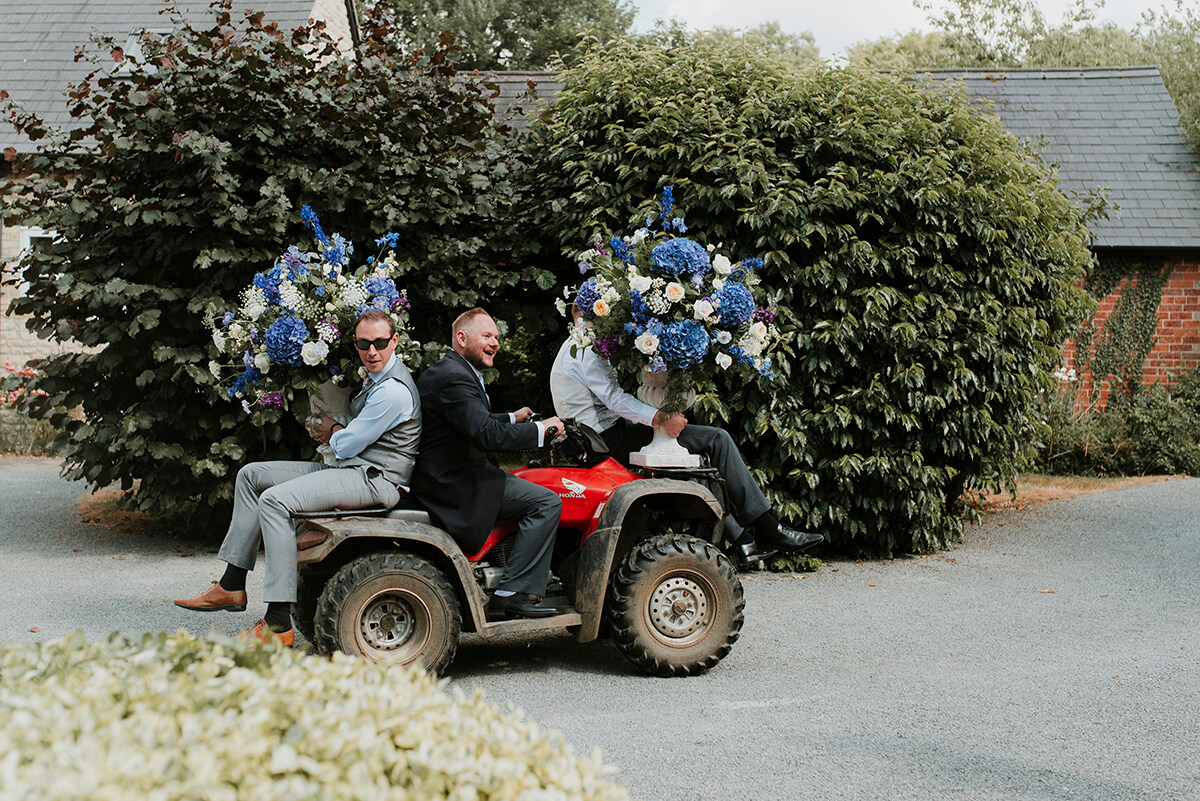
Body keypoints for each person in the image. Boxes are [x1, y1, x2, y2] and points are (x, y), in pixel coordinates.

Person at [174, 309, 421, 645]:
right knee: (251, 476)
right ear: (356, 343)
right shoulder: (375, 376)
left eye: (380, 342)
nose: (372, 351)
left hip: (376, 479)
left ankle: (278, 625)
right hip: (353, 470)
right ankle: (232, 585)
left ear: (394, 341)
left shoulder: (393, 390)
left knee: (274, 502)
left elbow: (347, 445)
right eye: (364, 343)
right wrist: (336, 430)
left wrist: (331, 429)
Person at [549, 305, 823, 568]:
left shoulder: (573, 347)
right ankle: (767, 529)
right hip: (604, 441)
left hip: (597, 437)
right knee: (717, 440)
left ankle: (743, 540)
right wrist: (660, 418)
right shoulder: (583, 351)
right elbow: (614, 400)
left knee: (694, 461)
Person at [411, 308, 564, 619]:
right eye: (487, 336)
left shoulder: (451, 370)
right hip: (455, 481)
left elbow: (468, 421)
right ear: (462, 338)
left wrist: (512, 417)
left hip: (449, 473)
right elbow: (485, 435)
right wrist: (542, 429)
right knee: (546, 502)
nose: (495, 342)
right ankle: (513, 591)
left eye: (496, 337)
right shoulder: (454, 377)